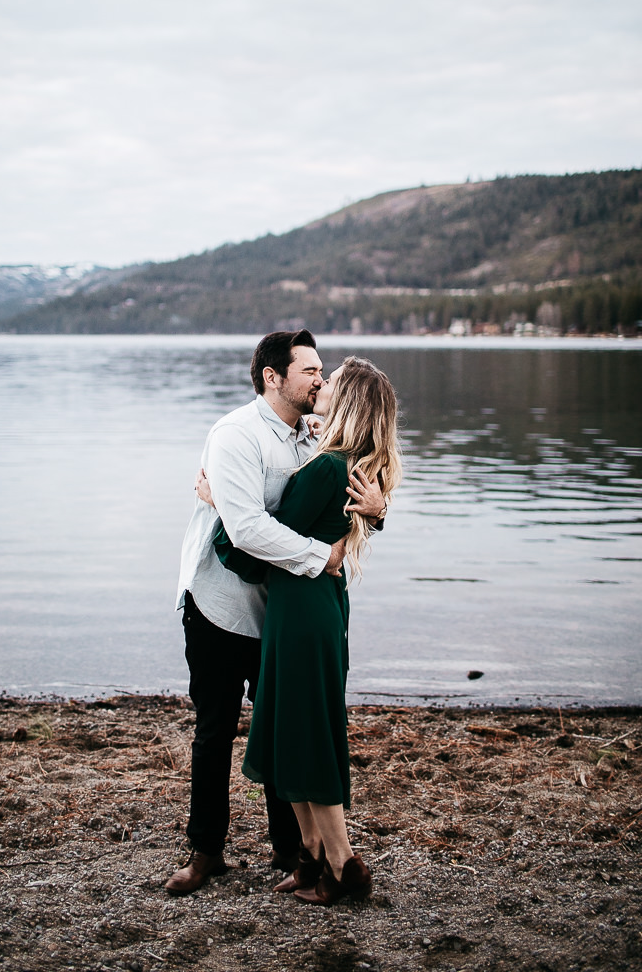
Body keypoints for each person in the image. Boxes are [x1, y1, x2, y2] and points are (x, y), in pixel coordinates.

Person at [165, 331, 386, 896]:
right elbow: (246, 532)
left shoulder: (313, 436)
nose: (319, 378)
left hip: (280, 612)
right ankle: (206, 851)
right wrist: (324, 555)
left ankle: (296, 854)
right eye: (310, 370)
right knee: (215, 732)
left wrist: (378, 511)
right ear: (274, 377)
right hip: (219, 606)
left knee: (285, 727)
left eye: (323, 373)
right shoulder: (236, 435)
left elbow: (345, 485)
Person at [225, 356, 401, 906]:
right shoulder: (341, 460)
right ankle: (311, 857)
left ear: (346, 401)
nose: (320, 385)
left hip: (303, 613)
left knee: (308, 736)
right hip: (307, 607)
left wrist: (218, 511)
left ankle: (344, 866)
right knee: (292, 730)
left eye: (332, 383)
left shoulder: (329, 467)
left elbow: (261, 538)